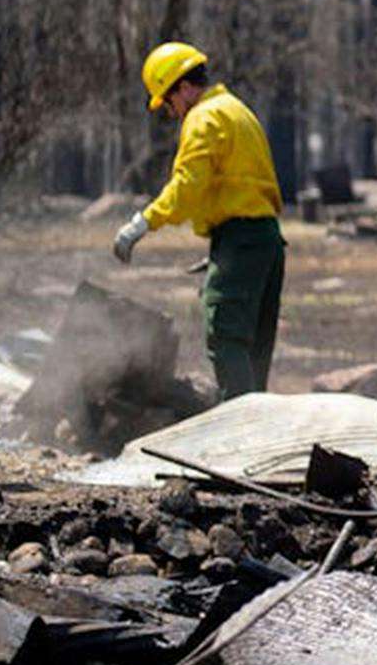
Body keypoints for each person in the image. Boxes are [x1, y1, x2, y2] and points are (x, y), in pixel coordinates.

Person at [114, 42, 286, 400]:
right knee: (254, 343)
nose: (173, 111)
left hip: (241, 238)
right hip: (264, 238)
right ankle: (262, 429)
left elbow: (189, 186)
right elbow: (240, 184)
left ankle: (239, 426)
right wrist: (224, 248)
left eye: (169, 101)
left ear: (183, 87)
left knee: (226, 334)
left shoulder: (203, 118)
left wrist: (143, 223)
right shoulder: (237, 111)